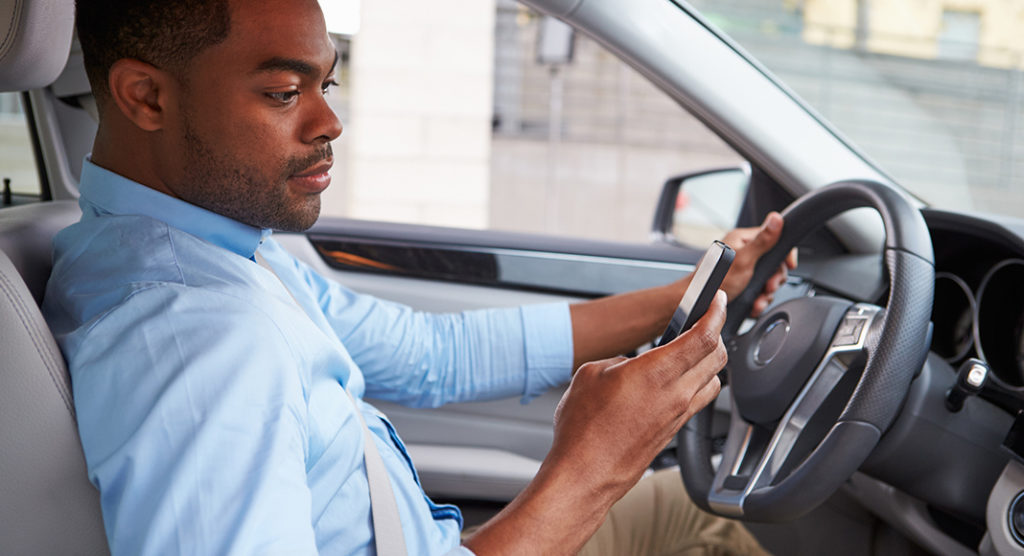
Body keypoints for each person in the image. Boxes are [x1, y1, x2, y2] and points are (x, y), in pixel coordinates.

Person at [44, 0, 794, 554]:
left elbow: (432, 354)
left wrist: (692, 297)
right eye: (283, 92)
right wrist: (591, 465)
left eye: (326, 87)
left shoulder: (218, 248)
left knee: (706, 513)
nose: (329, 123)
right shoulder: (194, 339)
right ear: (146, 97)